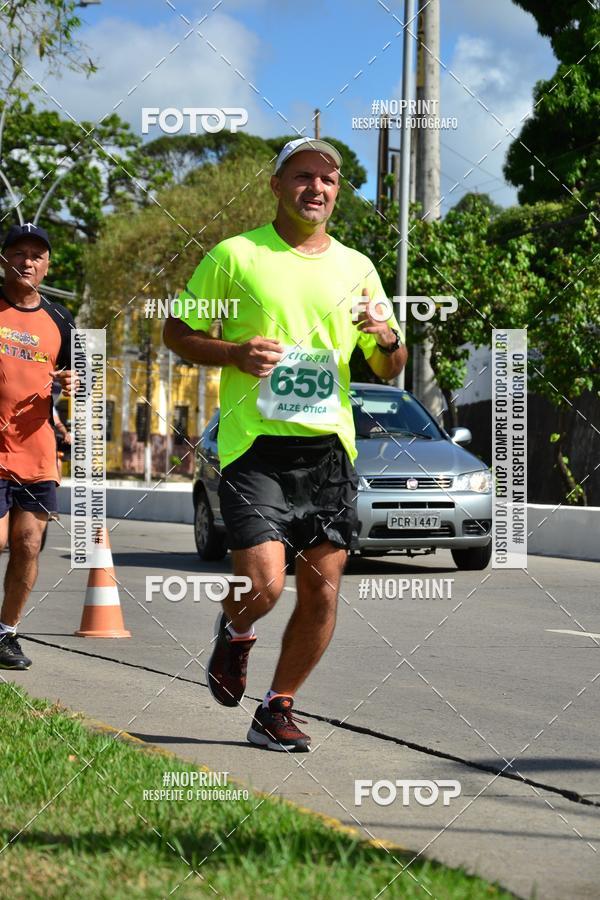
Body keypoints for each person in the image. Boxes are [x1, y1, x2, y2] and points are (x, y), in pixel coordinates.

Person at [164, 137, 407, 751]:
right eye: (302, 176)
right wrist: (234, 352)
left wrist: (385, 337)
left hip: (329, 450)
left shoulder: (357, 267)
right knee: (265, 585)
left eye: (328, 180)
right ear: (276, 186)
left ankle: (276, 708)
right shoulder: (236, 255)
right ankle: (236, 631)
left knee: (322, 591)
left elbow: (390, 363)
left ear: (337, 192)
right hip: (256, 446)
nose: (316, 188)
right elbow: (177, 331)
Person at [0, 223, 75, 670]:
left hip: (37, 451)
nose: (27, 261)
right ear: (4, 259)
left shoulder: (61, 320)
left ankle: (5, 634)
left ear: (47, 265)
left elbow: (81, 379)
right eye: (18, 252)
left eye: (36, 255)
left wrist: (73, 382)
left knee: (28, 544)